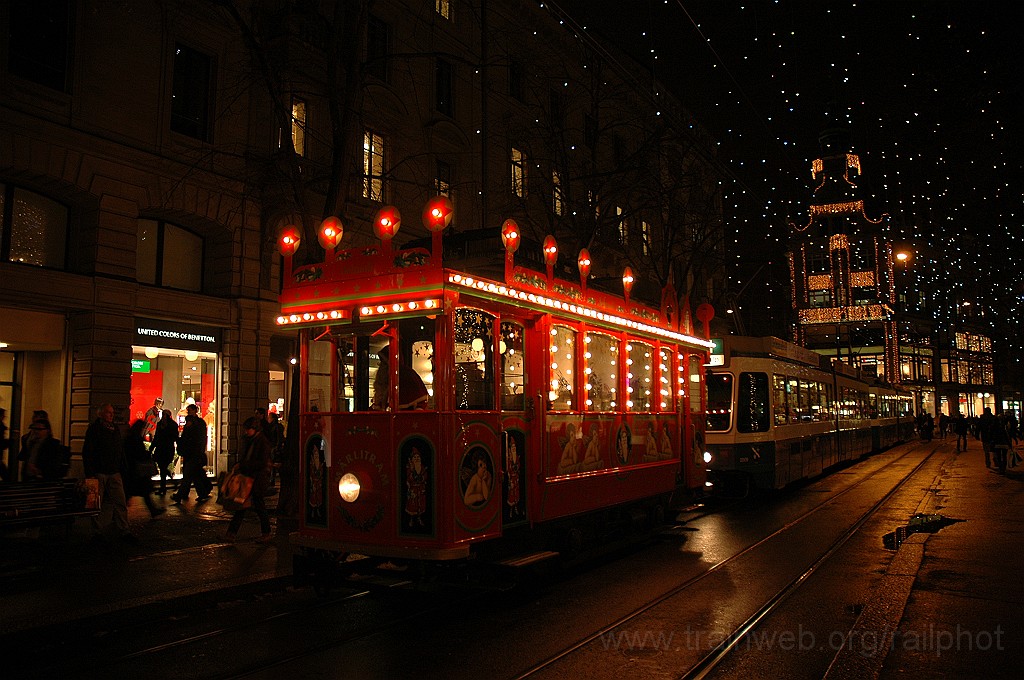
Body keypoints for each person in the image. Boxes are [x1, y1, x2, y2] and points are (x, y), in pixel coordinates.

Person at [82, 403, 133, 541]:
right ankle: (96, 531)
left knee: (119, 501)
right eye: (108, 412)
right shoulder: (94, 429)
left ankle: (124, 528)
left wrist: (122, 466)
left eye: (112, 412)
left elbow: (119, 450)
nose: (111, 415)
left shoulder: (114, 429)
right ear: (100, 414)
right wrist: (90, 472)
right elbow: (88, 452)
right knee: (96, 503)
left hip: (114, 471)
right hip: (100, 471)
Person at [224, 417, 274, 543]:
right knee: (242, 506)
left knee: (256, 506)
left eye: (248, 429)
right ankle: (231, 533)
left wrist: (243, 465)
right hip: (249, 478)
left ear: (255, 429)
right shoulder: (251, 440)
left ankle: (265, 532)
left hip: (256, 479)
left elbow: (261, 463)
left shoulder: (261, 442)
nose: (246, 432)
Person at [124, 419, 165, 518]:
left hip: (134, 470)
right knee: (142, 492)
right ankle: (152, 510)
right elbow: (139, 453)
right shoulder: (135, 438)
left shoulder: (130, 437)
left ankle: (153, 510)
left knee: (134, 492)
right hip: (137, 470)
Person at [172, 404, 212, 503]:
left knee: (188, 474)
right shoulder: (193, 423)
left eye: (189, 410)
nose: (188, 411)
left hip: (193, 453)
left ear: (194, 410)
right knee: (195, 474)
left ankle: (180, 495)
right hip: (190, 453)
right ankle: (202, 492)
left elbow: (200, 439)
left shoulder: (197, 423)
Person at [151, 409, 178, 495]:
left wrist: (152, 448)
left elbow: (157, 438)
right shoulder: (171, 425)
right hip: (165, 449)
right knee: (162, 468)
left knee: (162, 468)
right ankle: (168, 483)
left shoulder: (166, 425)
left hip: (164, 449)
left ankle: (164, 487)